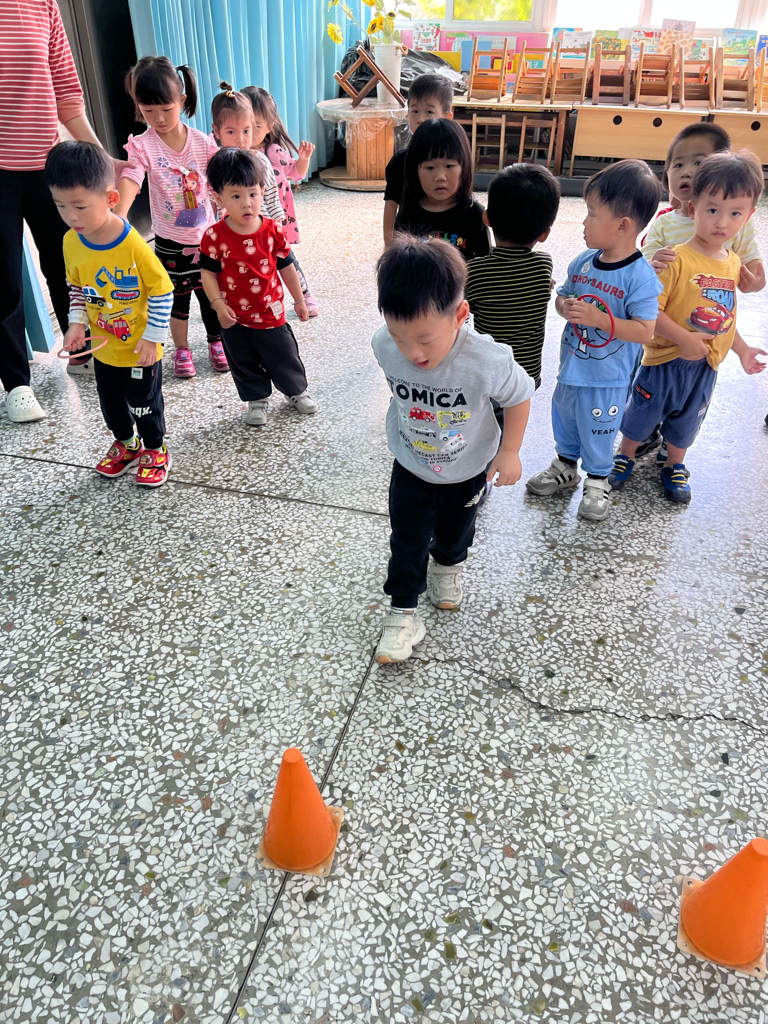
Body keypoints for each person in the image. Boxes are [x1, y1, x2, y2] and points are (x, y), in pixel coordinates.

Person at [371, 237, 534, 665]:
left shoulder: (487, 359)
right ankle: (403, 612)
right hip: (411, 464)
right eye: (400, 337)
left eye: (425, 339)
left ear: (460, 315)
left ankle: (447, 567)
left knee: (456, 531)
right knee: (406, 539)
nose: (413, 353)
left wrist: (510, 450)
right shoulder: (383, 344)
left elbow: (519, 395)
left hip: (468, 468)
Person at [609, 152, 766, 505]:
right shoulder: (675, 257)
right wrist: (683, 338)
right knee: (641, 415)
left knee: (687, 423)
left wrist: (742, 350)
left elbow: (723, 318)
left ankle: (675, 465)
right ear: (693, 208)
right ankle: (624, 455)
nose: (722, 222)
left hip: (706, 366)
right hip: (664, 361)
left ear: (748, 217)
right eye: (712, 210)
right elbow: (650, 311)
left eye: (735, 213)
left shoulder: (733, 263)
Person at [525, 159, 663, 522]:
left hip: (607, 379)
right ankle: (565, 466)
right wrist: (564, 306)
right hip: (572, 368)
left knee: (599, 430)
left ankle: (598, 480)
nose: (584, 222)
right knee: (566, 420)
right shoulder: (584, 262)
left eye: (591, 214)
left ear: (622, 225)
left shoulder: (640, 277)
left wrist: (600, 320)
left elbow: (645, 330)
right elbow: (563, 298)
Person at [0, 0, 114, 421]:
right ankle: (16, 384)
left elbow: (67, 94)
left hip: (49, 164)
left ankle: (80, 352)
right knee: (3, 278)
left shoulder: (42, 4)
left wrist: (101, 158)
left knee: (67, 262)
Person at [45, 141, 173, 485]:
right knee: (112, 404)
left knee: (144, 403)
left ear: (110, 198)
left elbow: (162, 290)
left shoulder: (131, 244)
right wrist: (75, 324)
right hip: (104, 349)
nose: (71, 217)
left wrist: (153, 339)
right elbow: (77, 288)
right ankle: (128, 445)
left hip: (140, 349)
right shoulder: (71, 241)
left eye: (80, 206)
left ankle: (155, 448)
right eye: (60, 205)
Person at [639, 122, 765, 455]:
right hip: (662, 330)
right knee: (648, 387)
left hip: (706, 332)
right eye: (677, 164)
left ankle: (673, 444)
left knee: (692, 394)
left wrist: (754, 280)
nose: (687, 171)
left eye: (699, 162)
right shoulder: (664, 222)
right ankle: (644, 432)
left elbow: (753, 273)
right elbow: (644, 267)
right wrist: (653, 262)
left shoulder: (735, 224)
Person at [117, 57, 226, 378]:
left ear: (182, 100)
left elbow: (219, 182)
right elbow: (132, 177)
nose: (159, 119)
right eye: (148, 111)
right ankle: (181, 349)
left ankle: (216, 342)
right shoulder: (143, 145)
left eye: (166, 109)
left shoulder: (202, 142)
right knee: (176, 301)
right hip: (169, 244)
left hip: (207, 239)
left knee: (211, 295)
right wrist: (118, 216)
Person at [199, 148, 316, 427]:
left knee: (284, 355)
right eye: (236, 196)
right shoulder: (214, 236)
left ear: (262, 191)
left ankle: (296, 391)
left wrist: (299, 300)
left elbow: (287, 267)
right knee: (243, 360)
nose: (247, 204)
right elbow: (208, 274)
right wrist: (218, 305)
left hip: (270, 312)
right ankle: (257, 399)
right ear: (218, 198)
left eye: (253, 194)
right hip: (233, 316)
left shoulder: (273, 230)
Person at [466, 163, 560, 388]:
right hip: (526, 376)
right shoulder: (543, 265)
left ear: (486, 218)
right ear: (544, 233)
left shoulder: (475, 271)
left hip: (488, 374)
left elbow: (465, 309)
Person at [241, 86, 318, 316]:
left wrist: (304, 159)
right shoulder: (234, 155)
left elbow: (296, 173)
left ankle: (304, 295)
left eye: (257, 126)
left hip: (275, 217)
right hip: (245, 218)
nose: (249, 133)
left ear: (269, 126)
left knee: (284, 256)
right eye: (245, 126)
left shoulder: (273, 152)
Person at [394, 119, 491, 263]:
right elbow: (399, 264)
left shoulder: (475, 214)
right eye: (430, 167)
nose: (440, 177)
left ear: (464, 167)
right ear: (415, 171)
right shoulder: (408, 214)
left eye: (449, 166)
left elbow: (485, 264)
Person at [383, 73, 454, 245]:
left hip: (449, 239)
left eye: (429, 112)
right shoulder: (399, 162)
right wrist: (389, 245)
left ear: (447, 117)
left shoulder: (455, 161)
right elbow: (391, 205)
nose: (420, 119)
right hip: (410, 242)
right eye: (414, 111)